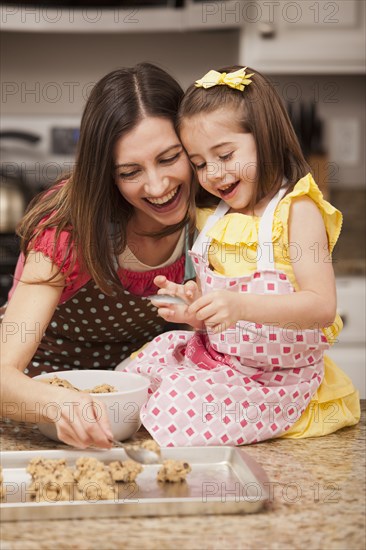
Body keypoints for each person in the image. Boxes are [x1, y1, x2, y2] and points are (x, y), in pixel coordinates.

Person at [120, 66, 360, 446]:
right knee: (136, 376)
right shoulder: (216, 218)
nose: (213, 174)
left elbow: (321, 306)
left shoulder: (297, 210)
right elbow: (224, 314)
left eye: (225, 155)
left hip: (276, 379)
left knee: (181, 407)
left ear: (265, 139)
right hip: (224, 364)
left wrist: (239, 305)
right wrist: (196, 312)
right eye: (199, 164)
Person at [0, 63, 197, 449]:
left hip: (146, 416)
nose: (157, 186)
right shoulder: (68, 230)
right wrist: (58, 405)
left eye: (170, 158)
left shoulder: (213, 217)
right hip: (44, 414)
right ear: (105, 174)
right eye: (130, 172)